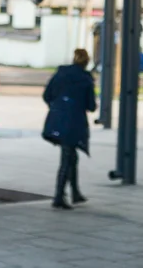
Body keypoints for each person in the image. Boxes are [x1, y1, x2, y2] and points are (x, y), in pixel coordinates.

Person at [42, 48, 97, 209]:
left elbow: (47, 95)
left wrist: (58, 107)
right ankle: (58, 196)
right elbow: (91, 106)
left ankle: (75, 193)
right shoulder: (85, 79)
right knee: (67, 158)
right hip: (74, 123)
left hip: (56, 120)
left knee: (71, 156)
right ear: (86, 62)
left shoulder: (60, 74)